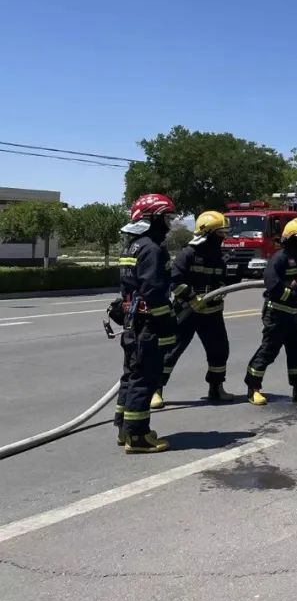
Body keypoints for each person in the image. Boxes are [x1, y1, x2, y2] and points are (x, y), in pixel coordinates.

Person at [114, 193, 178, 453]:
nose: (169, 223)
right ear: (152, 218)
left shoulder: (132, 246)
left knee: (130, 376)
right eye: (166, 217)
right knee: (145, 377)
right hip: (148, 324)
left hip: (132, 323)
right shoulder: (152, 248)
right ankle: (138, 437)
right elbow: (153, 291)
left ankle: (123, 429)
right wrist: (168, 322)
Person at [153, 210, 235, 409]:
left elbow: (222, 280)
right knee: (171, 351)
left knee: (219, 350)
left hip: (212, 312)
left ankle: (216, 387)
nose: (223, 237)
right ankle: (156, 390)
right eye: (220, 233)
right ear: (208, 233)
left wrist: (221, 288)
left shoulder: (219, 256)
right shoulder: (188, 254)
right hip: (186, 312)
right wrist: (190, 297)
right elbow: (175, 281)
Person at [245, 217, 297, 405]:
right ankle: (253, 388)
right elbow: (273, 286)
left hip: (295, 315)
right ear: (290, 238)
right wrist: (295, 295)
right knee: (268, 351)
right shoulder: (279, 258)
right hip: (277, 314)